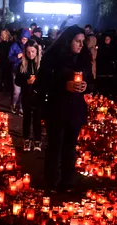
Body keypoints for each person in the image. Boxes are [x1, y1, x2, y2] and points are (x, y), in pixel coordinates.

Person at [37, 25, 91, 192]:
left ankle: (67, 182)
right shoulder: (52, 57)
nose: (81, 45)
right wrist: (63, 85)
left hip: (75, 110)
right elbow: (42, 83)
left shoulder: (83, 58)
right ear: (68, 41)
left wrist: (86, 86)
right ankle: (51, 181)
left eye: (83, 41)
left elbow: (91, 80)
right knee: (55, 146)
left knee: (70, 147)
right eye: (77, 41)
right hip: (57, 109)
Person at [16, 40, 43, 151]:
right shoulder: (22, 65)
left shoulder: (41, 65)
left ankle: (37, 140)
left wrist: (37, 81)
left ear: (37, 51)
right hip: (27, 94)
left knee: (37, 119)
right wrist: (26, 82)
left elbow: (47, 80)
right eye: (28, 52)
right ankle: (26, 139)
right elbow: (17, 81)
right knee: (27, 118)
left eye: (33, 51)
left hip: (38, 95)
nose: (31, 54)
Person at [9, 29, 30, 113]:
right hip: (16, 70)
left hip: (25, 71)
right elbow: (9, 58)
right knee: (17, 91)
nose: (24, 41)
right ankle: (13, 104)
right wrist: (17, 57)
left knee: (24, 90)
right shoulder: (15, 46)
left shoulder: (29, 46)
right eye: (23, 39)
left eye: (26, 39)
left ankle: (21, 107)